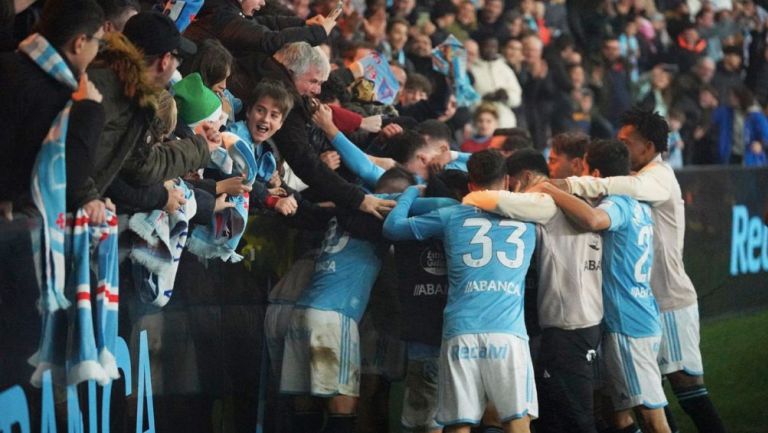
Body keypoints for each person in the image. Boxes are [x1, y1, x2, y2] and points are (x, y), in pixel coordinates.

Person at [562, 107, 727, 433]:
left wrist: (567, 184)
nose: (621, 148)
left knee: (684, 384)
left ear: (649, 147)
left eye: (627, 142)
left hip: (668, 298)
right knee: (635, 398)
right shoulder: (630, 181)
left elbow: (634, 189)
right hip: (637, 302)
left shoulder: (658, 177)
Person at [383, 150, 558, 433]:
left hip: (460, 332)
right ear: (508, 181)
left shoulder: (451, 215)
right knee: (516, 421)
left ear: (471, 186)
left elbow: (392, 228)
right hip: (508, 333)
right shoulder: (531, 216)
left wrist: (409, 195)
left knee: (459, 424)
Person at [0, 0, 105, 390]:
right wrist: (90, 111)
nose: (97, 54)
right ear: (79, 42)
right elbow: (74, 174)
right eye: (97, 43)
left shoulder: (9, 63)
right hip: (14, 246)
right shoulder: (62, 95)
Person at [530, 139, 670, 433]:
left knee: (652, 418)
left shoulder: (617, 204)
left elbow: (593, 219)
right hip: (636, 313)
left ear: (593, 174)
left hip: (627, 323)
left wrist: (550, 190)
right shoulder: (640, 204)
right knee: (617, 412)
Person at [462, 146, 603, 433]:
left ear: (524, 177)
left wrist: (470, 195)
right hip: (582, 319)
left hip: (568, 325)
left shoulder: (543, 201)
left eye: (511, 183)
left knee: (576, 418)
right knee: (559, 414)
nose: (510, 190)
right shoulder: (572, 201)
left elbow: (493, 200)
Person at [235, 41, 395, 219]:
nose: (317, 90)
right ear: (292, 71)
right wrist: (358, 199)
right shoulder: (286, 103)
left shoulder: (267, 67)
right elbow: (305, 162)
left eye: (320, 84)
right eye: (313, 82)